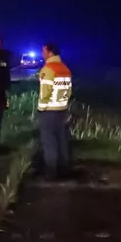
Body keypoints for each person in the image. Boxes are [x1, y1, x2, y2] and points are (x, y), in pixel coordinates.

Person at [37, 42, 73, 180]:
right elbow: (69, 91)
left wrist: (40, 109)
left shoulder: (48, 69)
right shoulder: (65, 68)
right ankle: (64, 170)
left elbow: (45, 93)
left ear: (50, 52)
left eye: (44, 51)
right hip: (62, 109)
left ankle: (51, 173)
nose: (43, 53)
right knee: (62, 140)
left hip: (49, 111)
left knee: (49, 142)